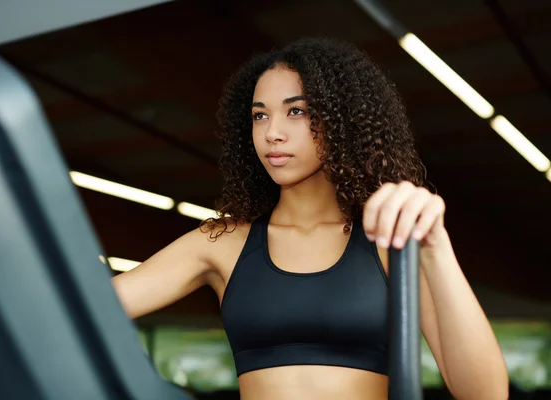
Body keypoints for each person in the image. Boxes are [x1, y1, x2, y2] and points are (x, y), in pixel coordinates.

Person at [112, 38, 509, 400]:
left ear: (343, 120)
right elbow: (78, 309)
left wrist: (436, 246)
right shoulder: (220, 242)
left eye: (297, 111)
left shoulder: (392, 241)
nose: (273, 133)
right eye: (260, 116)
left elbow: (486, 394)